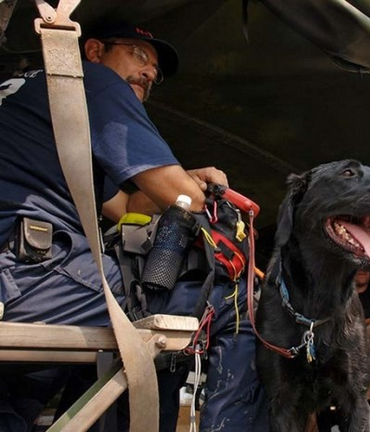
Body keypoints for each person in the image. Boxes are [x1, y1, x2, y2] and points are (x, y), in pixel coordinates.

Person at [0, 18, 267, 432]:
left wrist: (184, 176)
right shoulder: (92, 80)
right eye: (138, 55)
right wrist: (188, 187)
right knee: (230, 302)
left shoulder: (32, 93)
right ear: (93, 51)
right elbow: (189, 201)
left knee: (24, 393)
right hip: (28, 272)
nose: (148, 72)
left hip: (22, 280)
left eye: (155, 72)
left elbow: (123, 206)